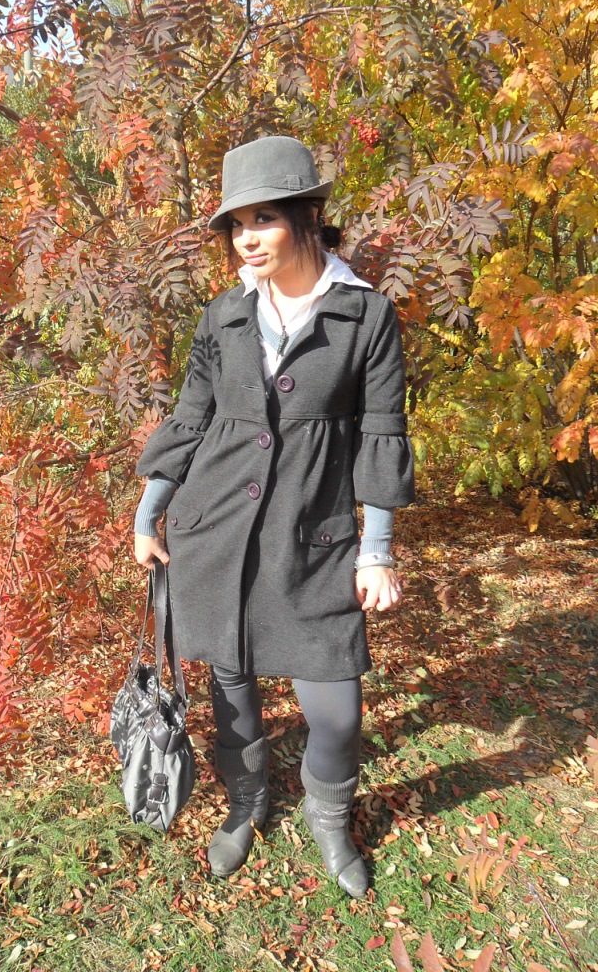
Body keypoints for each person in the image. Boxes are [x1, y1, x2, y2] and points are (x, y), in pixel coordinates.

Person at [133, 136, 415, 897]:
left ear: (306, 217)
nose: (245, 238)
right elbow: (191, 418)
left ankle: (330, 821)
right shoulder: (224, 316)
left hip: (315, 539)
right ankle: (246, 804)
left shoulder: (364, 315)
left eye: (263, 219)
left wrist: (376, 550)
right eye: (236, 224)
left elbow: (382, 432)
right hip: (215, 531)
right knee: (232, 695)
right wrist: (149, 513)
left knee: (337, 714)